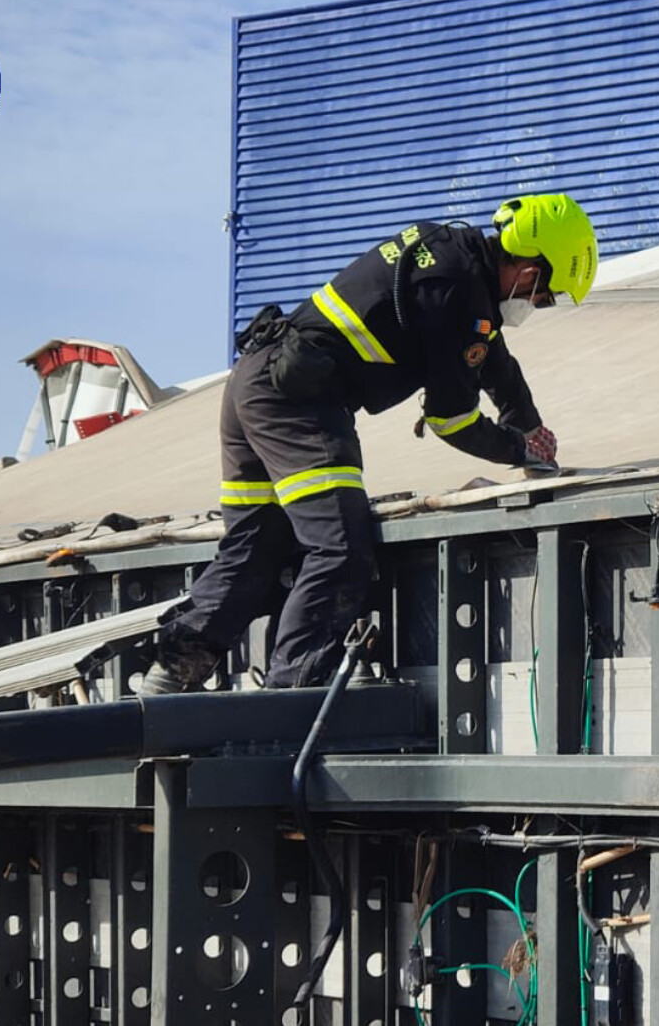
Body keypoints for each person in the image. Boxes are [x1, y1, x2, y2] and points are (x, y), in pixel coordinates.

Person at [138, 193, 599, 693]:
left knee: (259, 543)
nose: (538, 305)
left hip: (255, 381)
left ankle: (168, 676)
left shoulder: (455, 260)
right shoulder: (457, 292)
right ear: (530, 271)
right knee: (340, 548)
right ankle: (289, 696)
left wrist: (526, 425)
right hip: (298, 403)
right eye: (545, 296)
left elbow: (493, 361)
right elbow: (451, 419)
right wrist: (521, 451)